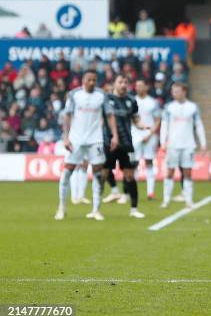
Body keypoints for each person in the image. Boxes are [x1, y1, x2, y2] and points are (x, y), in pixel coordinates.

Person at [55, 70, 118, 221]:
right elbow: (67, 115)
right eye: (89, 80)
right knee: (67, 172)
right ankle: (62, 207)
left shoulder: (101, 95)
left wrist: (115, 135)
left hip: (95, 139)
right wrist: (66, 137)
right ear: (83, 80)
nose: (92, 82)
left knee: (97, 173)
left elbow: (109, 115)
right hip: (76, 139)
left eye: (94, 80)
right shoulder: (74, 95)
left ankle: (96, 209)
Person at [101, 75, 148, 218]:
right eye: (120, 82)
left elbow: (136, 119)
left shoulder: (131, 101)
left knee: (129, 175)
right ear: (114, 84)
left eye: (126, 82)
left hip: (126, 142)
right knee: (103, 173)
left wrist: (142, 126)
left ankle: (134, 209)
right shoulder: (106, 99)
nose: (123, 85)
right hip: (108, 142)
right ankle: (97, 207)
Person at [160, 82, 206, 209]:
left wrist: (203, 144)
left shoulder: (192, 107)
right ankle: (166, 200)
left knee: (187, 173)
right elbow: (164, 125)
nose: (173, 93)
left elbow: (199, 125)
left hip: (188, 145)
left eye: (176, 91)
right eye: (173, 91)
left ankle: (189, 200)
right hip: (172, 145)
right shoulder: (168, 107)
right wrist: (162, 142)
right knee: (169, 173)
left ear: (184, 92)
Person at [132, 79, 161, 200]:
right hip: (135, 135)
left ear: (146, 87)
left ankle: (150, 192)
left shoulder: (152, 102)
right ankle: (133, 191)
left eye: (141, 85)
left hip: (150, 136)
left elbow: (158, 119)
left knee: (149, 161)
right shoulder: (132, 100)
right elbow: (131, 119)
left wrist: (150, 133)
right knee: (134, 163)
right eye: (137, 85)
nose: (138, 88)